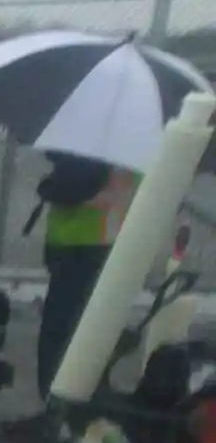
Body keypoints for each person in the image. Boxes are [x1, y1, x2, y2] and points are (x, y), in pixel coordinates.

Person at [32, 152, 138, 397]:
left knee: (63, 330)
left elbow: (74, 191)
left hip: (85, 247)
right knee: (85, 328)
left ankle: (57, 399)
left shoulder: (106, 150)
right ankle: (74, 395)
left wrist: (49, 187)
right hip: (92, 244)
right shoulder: (132, 147)